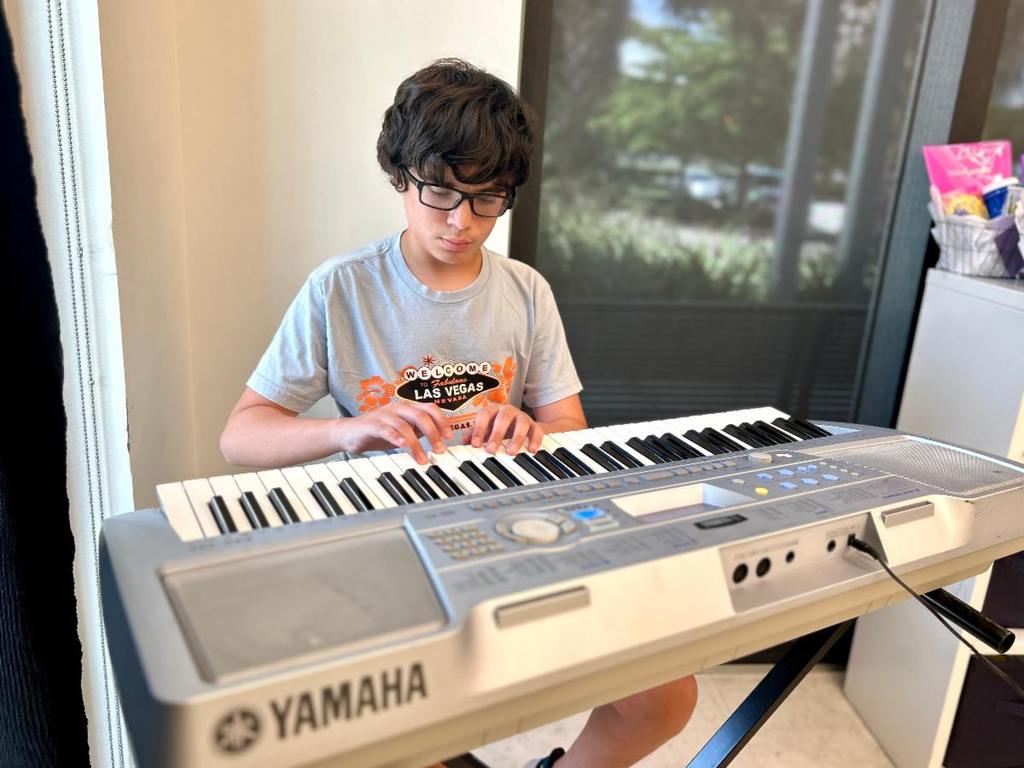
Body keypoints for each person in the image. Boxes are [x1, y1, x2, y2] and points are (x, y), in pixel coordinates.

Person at [220, 58, 697, 768]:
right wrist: (348, 430)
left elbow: (571, 428)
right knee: (385, 723)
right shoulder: (341, 289)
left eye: (487, 199)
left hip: (515, 530)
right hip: (389, 547)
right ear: (398, 173)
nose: (461, 222)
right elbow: (240, 434)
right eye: (439, 193)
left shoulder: (526, 290)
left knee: (666, 696)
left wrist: (531, 428)